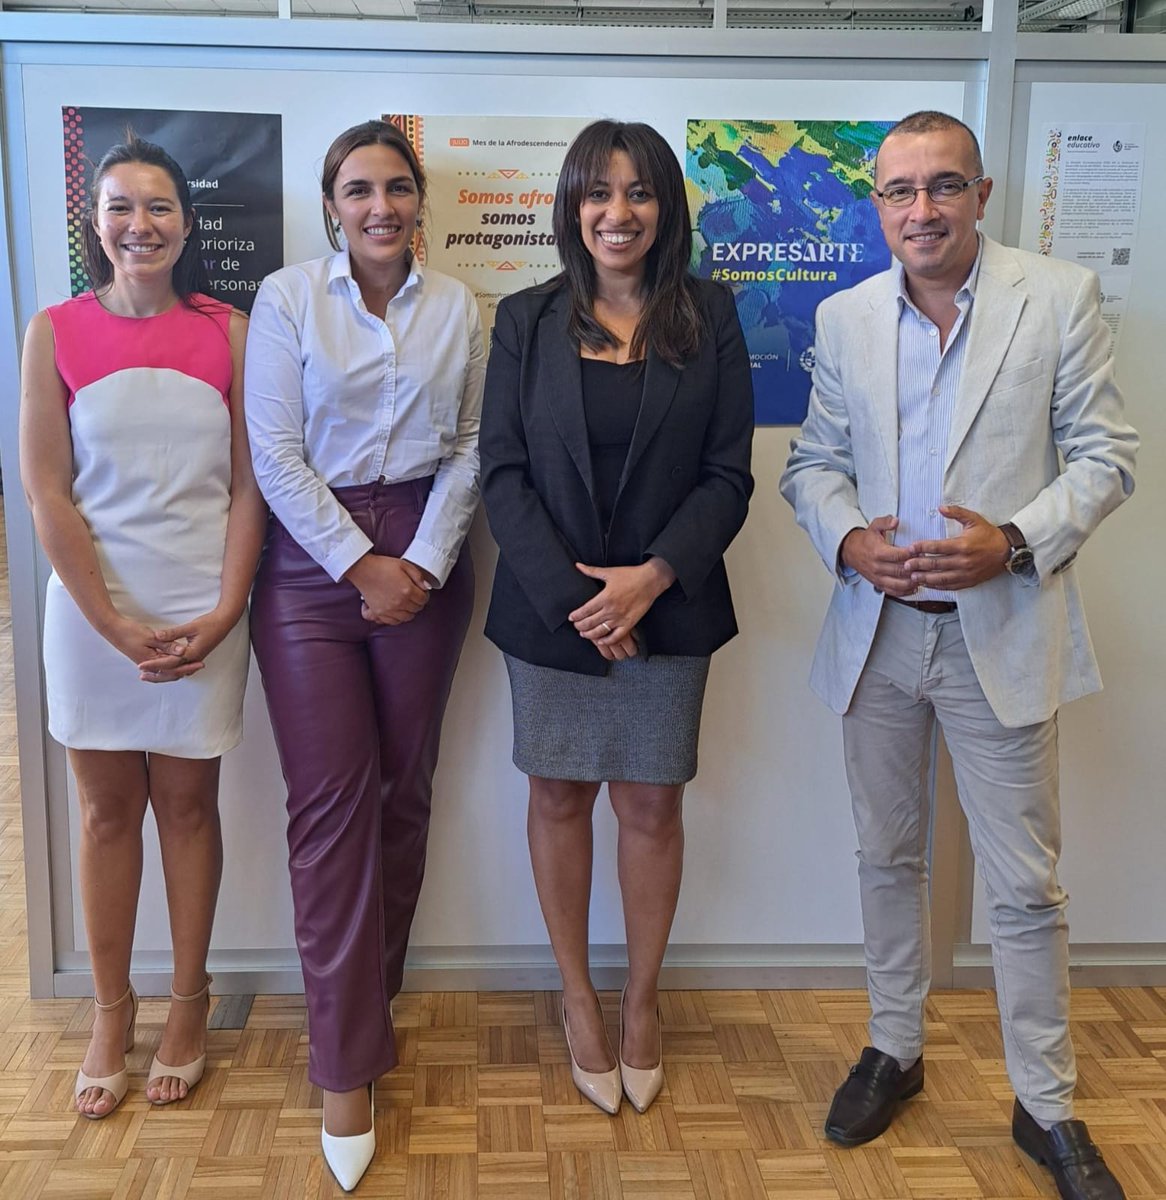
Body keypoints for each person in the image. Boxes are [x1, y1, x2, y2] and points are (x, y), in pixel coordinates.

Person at [780, 111, 1137, 1200]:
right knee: (885, 858)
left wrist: (1014, 541)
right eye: (898, 191)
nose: (920, 210)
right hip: (877, 637)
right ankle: (894, 1048)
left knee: (1024, 889)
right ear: (874, 203)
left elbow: (1105, 454)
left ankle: (1047, 1105)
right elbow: (811, 462)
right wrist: (845, 539)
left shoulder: (1055, 297)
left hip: (1003, 630)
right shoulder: (843, 318)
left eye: (941, 187)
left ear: (980, 194)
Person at [481, 119, 753, 1117]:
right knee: (556, 800)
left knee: (649, 807)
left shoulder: (710, 315)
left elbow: (729, 475)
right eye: (598, 192)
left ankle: (641, 1004)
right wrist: (578, 599)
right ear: (570, 206)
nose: (617, 212)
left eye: (637, 193)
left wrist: (647, 581)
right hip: (549, 613)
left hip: (668, 611)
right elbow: (501, 474)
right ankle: (577, 999)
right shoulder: (523, 319)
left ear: (664, 208)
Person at [244, 119, 481, 1191]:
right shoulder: (290, 300)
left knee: (403, 792)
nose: (377, 206)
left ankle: (366, 1002)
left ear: (418, 198)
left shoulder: (460, 307)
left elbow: (474, 446)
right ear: (329, 203)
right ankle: (343, 1061)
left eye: (394, 187)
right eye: (355, 190)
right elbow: (276, 456)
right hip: (307, 568)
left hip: (427, 556)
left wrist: (421, 561)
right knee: (330, 804)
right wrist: (359, 565)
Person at [18, 134, 264, 1119]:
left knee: (191, 811)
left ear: (188, 224)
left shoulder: (230, 333)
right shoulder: (54, 330)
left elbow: (252, 488)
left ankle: (190, 1006)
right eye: (120, 206)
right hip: (92, 613)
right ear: (95, 223)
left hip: (204, 606)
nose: (139, 225)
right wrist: (112, 623)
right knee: (105, 815)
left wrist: (225, 607)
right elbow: (45, 491)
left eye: (158, 207)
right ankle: (110, 1015)